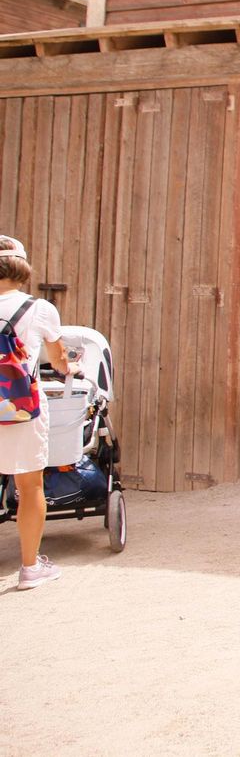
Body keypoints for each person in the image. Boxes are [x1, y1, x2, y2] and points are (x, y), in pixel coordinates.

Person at [0, 237, 77, 590]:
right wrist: (69, 368)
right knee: (29, 485)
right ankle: (30, 569)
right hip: (19, 409)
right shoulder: (40, 309)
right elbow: (59, 359)